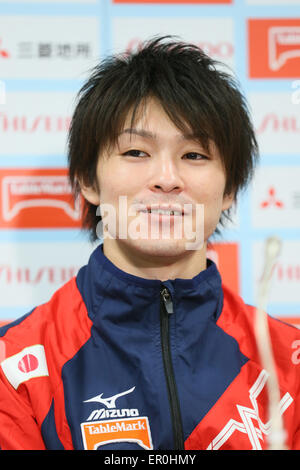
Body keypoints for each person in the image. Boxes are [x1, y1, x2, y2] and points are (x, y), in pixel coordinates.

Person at [0, 36, 299, 451]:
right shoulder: (15, 367)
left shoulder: (289, 363)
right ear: (88, 181)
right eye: (137, 151)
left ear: (230, 189)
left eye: (194, 155)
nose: (167, 178)